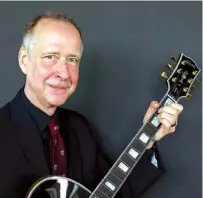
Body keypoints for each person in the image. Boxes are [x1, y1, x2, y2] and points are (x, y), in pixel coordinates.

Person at [0, 12, 183, 198]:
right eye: (50, 57)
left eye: (72, 60)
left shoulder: (80, 129)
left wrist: (149, 139)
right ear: (24, 60)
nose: (63, 73)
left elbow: (116, 192)